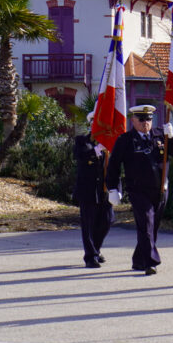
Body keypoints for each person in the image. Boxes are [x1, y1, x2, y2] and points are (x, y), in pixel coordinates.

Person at [105, 105, 173, 275]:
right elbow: (114, 165)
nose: (146, 123)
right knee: (146, 223)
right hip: (138, 190)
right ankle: (150, 262)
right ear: (133, 120)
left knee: (153, 227)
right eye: (142, 119)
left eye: (149, 119)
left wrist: (172, 138)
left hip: (160, 189)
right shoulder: (125, 140)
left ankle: (138, 259)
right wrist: (113, 188)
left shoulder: (160, 135)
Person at [75, 112, 114, 268]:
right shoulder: (82, 141)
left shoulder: (109, 144)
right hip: (88, 190)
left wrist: (116, 188)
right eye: (93, 124)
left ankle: (96, 249)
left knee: (107, 220)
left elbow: (114, 167)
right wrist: (97, 150)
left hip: (104, 190)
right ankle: (90, 256)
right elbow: (81, 155)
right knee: (89, 224)